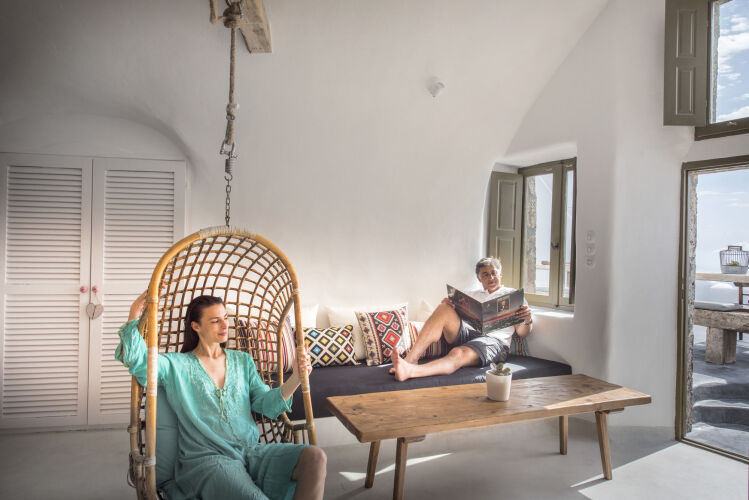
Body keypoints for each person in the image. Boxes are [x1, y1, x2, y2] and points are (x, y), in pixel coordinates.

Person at [116, 293, 326, 500]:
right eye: (215, 321)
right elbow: (137, 360)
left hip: (252, 452)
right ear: (196, 326)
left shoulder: (242, 360)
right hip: (207, 460)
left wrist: (297, 378)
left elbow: (266, 405)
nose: (225, 325)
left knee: (315, 457)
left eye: (225, 318)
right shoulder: (175, 365)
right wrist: (134, 313)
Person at [391, 257, 532, 381]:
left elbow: (522, 333)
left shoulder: (514, 297)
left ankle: (410, 371)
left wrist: (527, 320)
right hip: (469, 333)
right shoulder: (472, 294)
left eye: (494, 273)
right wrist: (448, 304)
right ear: (479, 278)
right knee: (444, 308)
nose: (491, 277)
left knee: (457, 353)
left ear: (500, 274)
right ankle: (411, 359)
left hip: (494, 342)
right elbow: (448, 313)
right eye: (485, 274)